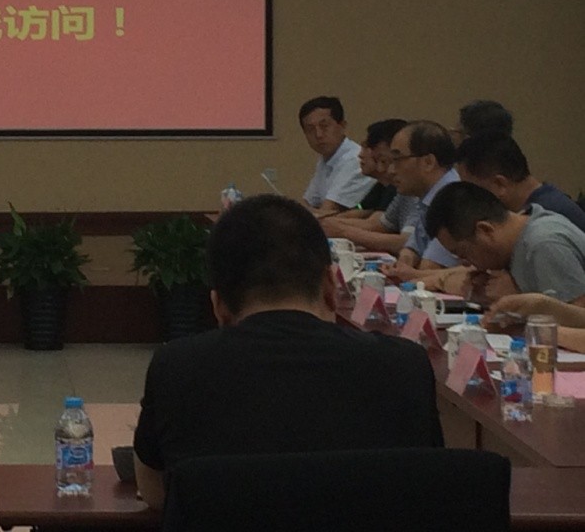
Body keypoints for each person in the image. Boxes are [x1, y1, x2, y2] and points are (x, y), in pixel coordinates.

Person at [132, 194, 442, 507]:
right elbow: (428, 488)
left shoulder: (177, 367)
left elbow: (156, 492)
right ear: (330, 287)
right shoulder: (404, 366)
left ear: (218, 306)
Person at [425, 181, 585, 307]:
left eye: (463, 253)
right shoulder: (514, 239)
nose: (465, 263)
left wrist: (517, 300)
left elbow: (579, 320)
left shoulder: (544, 243)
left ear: (485, 230)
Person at [456, 132, 585, 233]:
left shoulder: (542, 222)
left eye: (471, 189)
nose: (469, 198)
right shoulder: (548, 201)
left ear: (499, 184)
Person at [323, 118, 413, 254]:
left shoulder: (415, 190)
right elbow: (374, 219)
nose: (360, 155)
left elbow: (407, 242)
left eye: (385, 160)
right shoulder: (400, 190)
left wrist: (340, 230)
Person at [386, 120, 461, 277]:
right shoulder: (429, 196)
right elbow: (413, 247)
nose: (391, 170)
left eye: (397, 160)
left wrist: (409, 271)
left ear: (428, 162)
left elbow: (430, 267)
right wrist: (406, 259)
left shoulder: (454, 199)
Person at [298, 96, 374, 216]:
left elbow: (325, 213)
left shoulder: (355, 159)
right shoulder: (326, 159)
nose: (318, 134)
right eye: (310, 129)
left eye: (324, 126)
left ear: (342, 125)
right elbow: (308, 203)